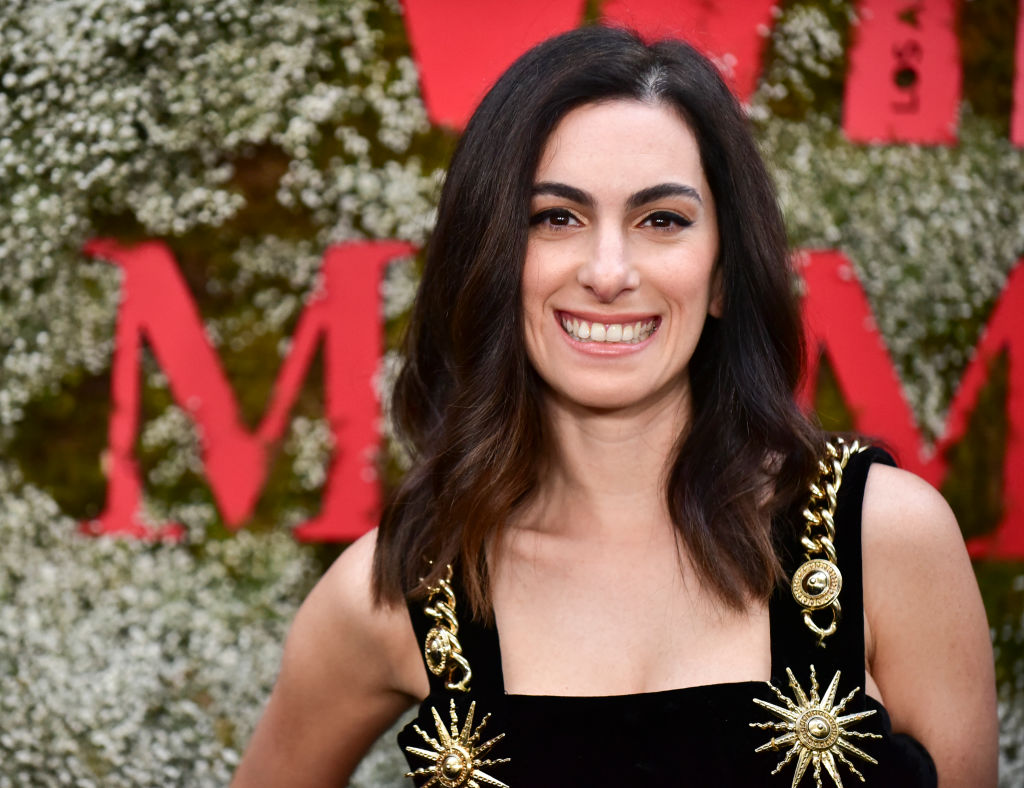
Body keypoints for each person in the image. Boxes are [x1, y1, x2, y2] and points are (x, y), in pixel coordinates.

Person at [232, 25, 997, 787]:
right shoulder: (407, 586)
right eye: (555, 218)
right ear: (491, 260)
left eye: (662, 220)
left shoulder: (884, 538)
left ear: (723, 272)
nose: (608, 272)